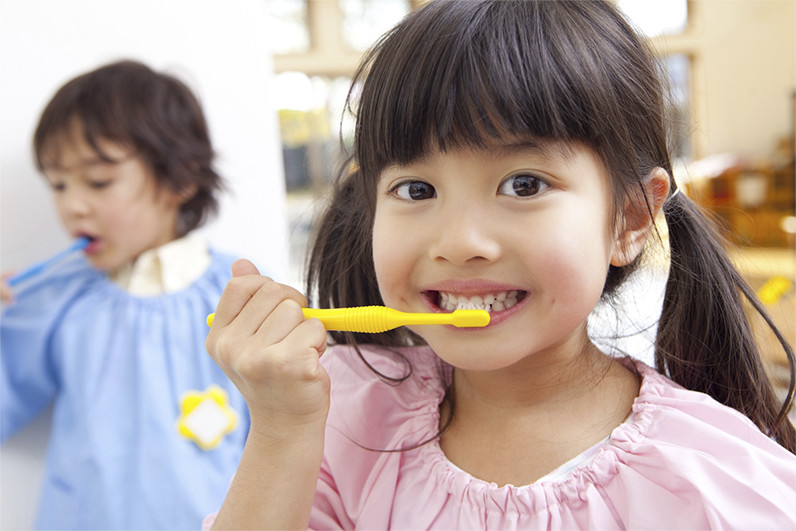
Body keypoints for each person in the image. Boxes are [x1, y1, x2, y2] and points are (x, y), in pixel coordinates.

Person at [204, 1, 796, 529]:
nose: (460, 242)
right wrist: (282, 430)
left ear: (631, 220)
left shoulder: (716, 482)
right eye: (416, 190)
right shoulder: (341, 418)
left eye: (523, 183)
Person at [0, 60, 249, 529]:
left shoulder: (239, 298)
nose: (72, 204)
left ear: (181, 178)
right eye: (58, 184)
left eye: (98, 181)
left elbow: (292, 441)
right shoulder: (55, 299)